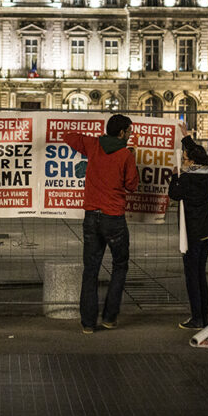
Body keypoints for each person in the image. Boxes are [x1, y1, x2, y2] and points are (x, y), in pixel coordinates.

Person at [65, 114, 140, 334]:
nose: (131, 134)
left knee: (90, 270)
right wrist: (132, 159)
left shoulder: (93, 144)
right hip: (113, 217)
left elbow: (67, 136)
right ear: (121, 133)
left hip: (91, 216)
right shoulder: (125, 154)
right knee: (120, 265)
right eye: (129, 131)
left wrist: (91, 139)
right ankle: (109, 317)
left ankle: (88, 323)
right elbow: (132, 186)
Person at [168, 121, 208, 330]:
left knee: (192, 277)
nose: (183, 158)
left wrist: (175, 175)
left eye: (185, 156)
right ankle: (202, 315)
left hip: (191, 233)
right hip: (207, 231)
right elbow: (198, 156)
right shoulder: (207, 173)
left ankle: (197, 318)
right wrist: (186, 136)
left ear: (190, 160)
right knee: (200, 275)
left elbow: (174, 194)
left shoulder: (186, 179)